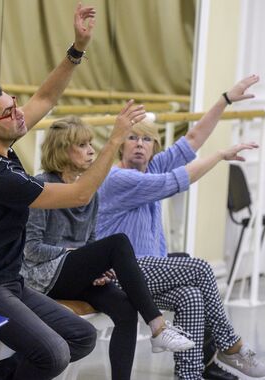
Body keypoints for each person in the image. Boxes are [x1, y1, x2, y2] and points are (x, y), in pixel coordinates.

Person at [0, 4, 161, 379]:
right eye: (9, 112)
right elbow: (78, 196)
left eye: (13, 104)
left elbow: (45, 99)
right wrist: (113, 141)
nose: (20, 113)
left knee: (81, 337)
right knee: (54, 353)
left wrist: (77, 49)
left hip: (9, 281)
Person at [96, 75, 265, 380]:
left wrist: (225, 100)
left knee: (191, 295)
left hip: (148, 273)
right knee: (200, 268)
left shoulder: (151, 167)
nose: (139, 145)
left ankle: (190, 375)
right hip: (121, 274)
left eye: (146, 139)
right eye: (133, 138)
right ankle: (231, 345)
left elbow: (191, 140)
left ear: (153, 147)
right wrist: (218, 156)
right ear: (120, 144)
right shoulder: (117, 179)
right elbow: (173, 182)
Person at [21, 117, 196, 380]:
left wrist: (97, 268)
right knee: (119, 241)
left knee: (126, 309)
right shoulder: (41, 186)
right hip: (44, 277)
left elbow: (90, 241)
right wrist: (76, 256)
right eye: (82, 145)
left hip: (74, 273)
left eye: (91, 143)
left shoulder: (90, 190)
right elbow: (32, 250)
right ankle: (158, 326)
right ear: (62, 150)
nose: (91, 150)